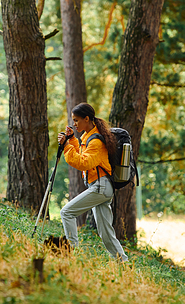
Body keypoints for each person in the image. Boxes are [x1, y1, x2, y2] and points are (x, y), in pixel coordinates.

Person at [57, 102, 128, 262]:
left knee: (66, 212)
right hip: (102, 187)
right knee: (106, 233)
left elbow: (83, 163)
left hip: (101, 187)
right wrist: (72, 141)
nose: (74, 123)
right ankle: (123, 263)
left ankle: (70, 253)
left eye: (76, 120)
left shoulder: (95, 141)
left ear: (87, 119)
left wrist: (66, 146)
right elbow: (82, 153)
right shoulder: (89, 137)